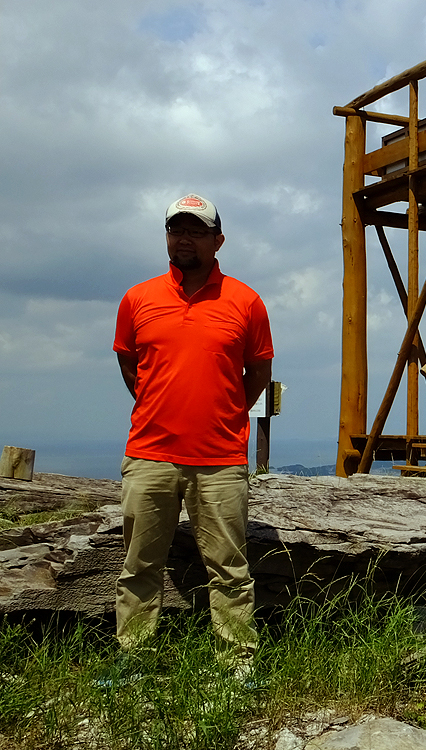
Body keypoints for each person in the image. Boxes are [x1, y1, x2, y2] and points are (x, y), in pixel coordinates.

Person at [110, 193, 273, 682]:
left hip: (221, 458)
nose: (183, 237)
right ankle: (133, 660)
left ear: (217, 240)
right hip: (149, 454)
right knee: (139, 565)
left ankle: (238, 664)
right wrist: (159, 408)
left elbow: (259, 371)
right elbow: (128, 362)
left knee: (230, 567)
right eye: (175, 229)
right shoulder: (138, 298)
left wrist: (222, 414)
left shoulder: (246, 301)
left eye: (196, 230)